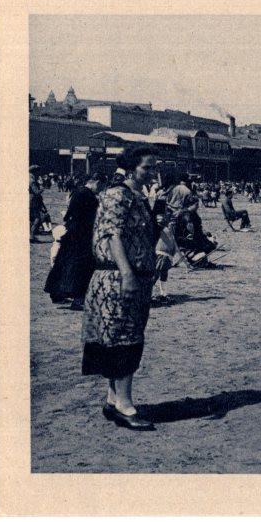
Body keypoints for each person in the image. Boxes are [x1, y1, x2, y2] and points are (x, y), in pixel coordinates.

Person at [81, 146, 159, 431]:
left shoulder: (137, 196)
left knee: (121, 337)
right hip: (117, 279)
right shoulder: (118, 194)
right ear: (130, 168)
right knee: (125, 339)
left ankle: (113, 400)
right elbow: (113, 235)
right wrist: (127, 274)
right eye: (147, 167)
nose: (152, 173)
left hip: (133, 277)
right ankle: (125, 406)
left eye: (154, 167)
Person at [44, 173, 104, 309]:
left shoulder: (78, 192)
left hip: (72, 232)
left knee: (64, 262)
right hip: (83, 235)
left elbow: (68, 214)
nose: (100, 190)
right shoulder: (87, 195)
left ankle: (57, 293)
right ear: (97, 181)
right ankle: (78, 298)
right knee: (82, 267)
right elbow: (92, 216)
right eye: (101, 186)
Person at [153, 211, 178, 304]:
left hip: (167, 255)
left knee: (163, 273)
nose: (173, 223)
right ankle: (148, 293)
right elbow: (158, 223)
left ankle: (163, 293)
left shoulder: (170, 231)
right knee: (156, 274)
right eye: (171, 221)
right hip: (161, 254)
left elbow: (174, 245)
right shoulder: (161, 228)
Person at [29, 166, 52, 241]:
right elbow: (36, 192)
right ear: (35, 172)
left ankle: (33, 233)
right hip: (33, 201)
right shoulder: (32, 180)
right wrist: (42, 186)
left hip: (30, 200)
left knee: (31, 218)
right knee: (37, 218)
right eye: (38, 172)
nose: (39, 173)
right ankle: (31, 236)